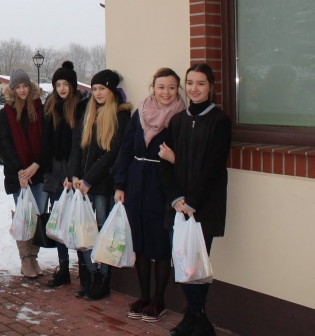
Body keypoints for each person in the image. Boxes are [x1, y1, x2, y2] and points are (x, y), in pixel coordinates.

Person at [159, 63, 230, 336]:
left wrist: (193, 202)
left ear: (211, 86)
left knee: (197, 263)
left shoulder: (219, 121)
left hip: (204, 206)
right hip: (178, 207)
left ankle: (195, 316)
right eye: (190, 83)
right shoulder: (177, 121)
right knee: (182, 261)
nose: (194, 88)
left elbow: (212, 167)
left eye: (200, 83)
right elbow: (165, 163)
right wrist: (175, 197)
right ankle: (197, 318)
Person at [114, 68, 185, 322]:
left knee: (161, 244)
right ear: (153, 88)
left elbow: (186, 156)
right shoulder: (140, 112)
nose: (166, 92)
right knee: (141, 243)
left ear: (178, 90)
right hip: (136, 183)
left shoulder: (181, 117)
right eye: (161, 87)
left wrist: (174, 159)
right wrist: (120, 185)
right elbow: (125, 148)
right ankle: (144, 296)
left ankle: (159, 300)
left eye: (172, 87)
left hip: (163, 185)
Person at [66, 69, 132, 300]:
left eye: (102, 88)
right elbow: (77, 146)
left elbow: (112, 153)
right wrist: (74, 176)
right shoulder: (88, 112)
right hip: (82, 187)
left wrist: (88, 180)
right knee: (85, 230)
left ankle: (104, 279)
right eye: (94, 89)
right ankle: (92, 276)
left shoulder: (121, 115)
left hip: (103, 186)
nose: (98, 93)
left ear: (111, 89)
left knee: (103, 232)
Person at [0, 68, 46, 278]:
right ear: (12, 89)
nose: (22, 90)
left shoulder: (40, 109)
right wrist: (20, 171)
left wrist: (36, 165)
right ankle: (25, 258)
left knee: (38, 214)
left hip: (39, 171)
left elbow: (46, 140)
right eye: (17, 87)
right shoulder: (6, 112)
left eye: (25, 85)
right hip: (18, 175)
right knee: (24, 216)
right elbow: (4, 144)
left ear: (30, 86)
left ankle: (34, 256)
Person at [41, 61, 87, 288]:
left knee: (75, 221)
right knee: (58, 220)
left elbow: (79, 145)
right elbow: (45, 141)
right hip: (54, 172)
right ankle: (64, 268)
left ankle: (84, 270)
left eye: (65, 84)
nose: (61, 88)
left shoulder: (80, 107)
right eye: (58, 84)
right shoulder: (50, 106)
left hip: (72, 172)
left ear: (72, 85)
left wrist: (73, 173)